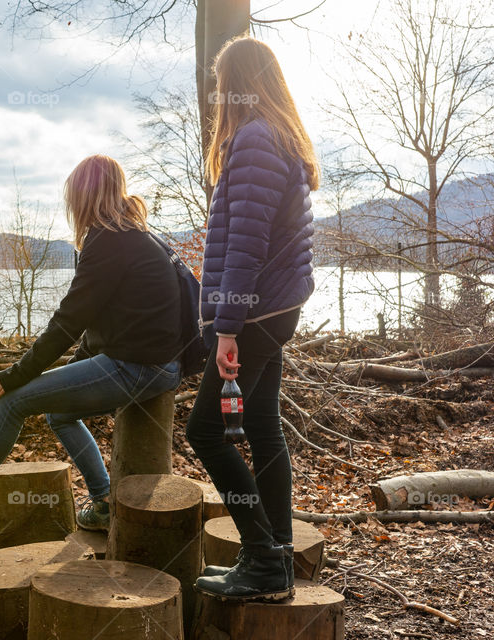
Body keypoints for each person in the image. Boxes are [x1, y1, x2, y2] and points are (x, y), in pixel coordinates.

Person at [0, 154, 185, 532]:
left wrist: (17, 375)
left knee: (13, 401)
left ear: (83, 197)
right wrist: (66, 371)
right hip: (150, 363)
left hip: (140, 367)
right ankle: (102, 502)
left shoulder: (110, 240)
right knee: (59, 413)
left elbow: (68, 322)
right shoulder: (132, 235)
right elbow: (96, 326)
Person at [188, 36, 318, 602]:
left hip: (256, 310)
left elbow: (245, 243)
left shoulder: (257, 138)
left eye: (221, 84)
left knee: (205, 432)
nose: (219, 95)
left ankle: (264, 557)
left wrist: (227, 327)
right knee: (262, 428)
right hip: (275, 307)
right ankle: (277, 557)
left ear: (235, 82)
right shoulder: (276, 134)